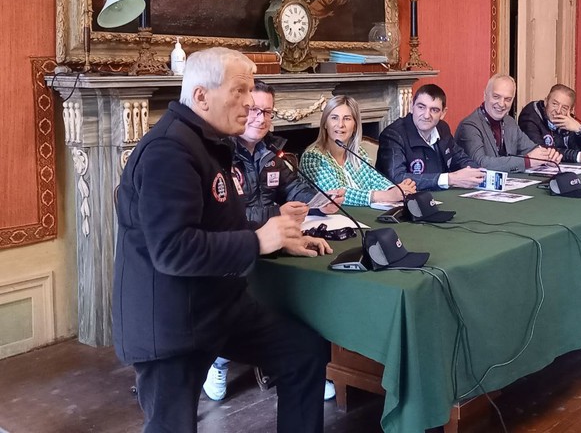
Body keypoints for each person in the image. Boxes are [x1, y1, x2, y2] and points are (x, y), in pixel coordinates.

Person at [112, 47, 332, 433]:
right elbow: (172, 250)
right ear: (201, 96)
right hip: (171, 323)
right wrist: (258, 241)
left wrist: (278, 238)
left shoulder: (211, 142)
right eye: (239, 91)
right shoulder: (169, 151)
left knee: (303, 351)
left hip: (218, 307)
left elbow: (217, 224)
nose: (250, 102)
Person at [203, 80, 342, 403]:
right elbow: (228, 213)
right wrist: (276, 212)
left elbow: (294, 189)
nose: (260, 118)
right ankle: (219, 360)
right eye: (254, 110)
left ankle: (312, 364)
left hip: (275, 241)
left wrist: (320, 201)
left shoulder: (272, 154)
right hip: (236, 246)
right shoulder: (221, 154)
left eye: (267, 112)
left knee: (316, 276)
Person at [300, 95, 416, 206]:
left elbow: (374, 179)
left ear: (355, 125)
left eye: (347, 118)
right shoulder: (312, 157)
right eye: (334, 118)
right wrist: (385, 196)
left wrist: (398, 189)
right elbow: (335, 194)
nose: (340, 124)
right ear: (325, 123)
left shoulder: (357, 152)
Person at [377, 84, 485, 191]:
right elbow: (397, 178)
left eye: (434, 110)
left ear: (443, 113)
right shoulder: (393, 135)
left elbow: (460, 158)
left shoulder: (442, 128)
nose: (426, 115)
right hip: (408, 199)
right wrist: (449, 179)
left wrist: (477, 173)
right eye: (421, 107)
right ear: (411, 106)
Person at [455, 74, 561, 172]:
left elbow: (531, 148)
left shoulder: (509, 122)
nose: (502, 104)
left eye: (507, 99)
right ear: (485, 95)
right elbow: (480, 164)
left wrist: (548, 156)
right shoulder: (469, 126)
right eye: (496, 97)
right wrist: (527, 161)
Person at [518, 84, 581, 164]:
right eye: (555, 104)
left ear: (570, 111)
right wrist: (578, 156)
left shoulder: (568, 121)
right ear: (546, 101)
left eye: (564, 108)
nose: (558, 111)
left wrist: (580, 129)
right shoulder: (530, 115)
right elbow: (540, 151)